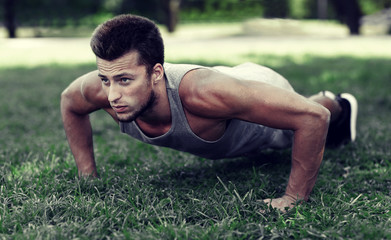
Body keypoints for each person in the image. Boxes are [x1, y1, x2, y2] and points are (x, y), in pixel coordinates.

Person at [60, 14, 358, 212]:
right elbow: (70, 103)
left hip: (251, 85)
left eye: (125, 80)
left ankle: (337, 102)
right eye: (106, 79)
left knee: (301, 115)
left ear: (155, 73)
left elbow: (312, 117)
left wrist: (293, 198)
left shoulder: (203, 94)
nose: (112, 95)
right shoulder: (103, 88)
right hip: (228, 85)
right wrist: (88, 176)